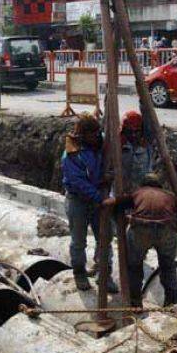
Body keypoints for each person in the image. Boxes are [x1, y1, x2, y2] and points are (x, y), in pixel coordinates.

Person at [102, 173, 177, 307]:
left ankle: (135, 302)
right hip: (166, 230)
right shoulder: (170, 196)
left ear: (144, 183)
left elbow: (115, 202)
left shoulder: (138, 193)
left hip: (141, 229)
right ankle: (172, 301)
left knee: (134, 266)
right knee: (168, 266)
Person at [62, 113, 118, 292]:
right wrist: (100, 197)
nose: (97, 136)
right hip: (78, 200)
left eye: (98, 132)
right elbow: (79, 183)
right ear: (83, 135)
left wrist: (106, 177)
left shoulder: (101, 144)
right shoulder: (72, 154)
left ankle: (104, 274)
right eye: (93, 134)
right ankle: (79, 273)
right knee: (79, 240)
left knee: (105, 238)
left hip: (97, 198)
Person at [120, 110, 153, 193]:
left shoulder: (146, 143)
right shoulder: (119, 145)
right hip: (123, 191)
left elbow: (148, 117)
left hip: (143, 191)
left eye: (136, 131)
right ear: (124, 131)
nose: (133, 135)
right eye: (130, 132)